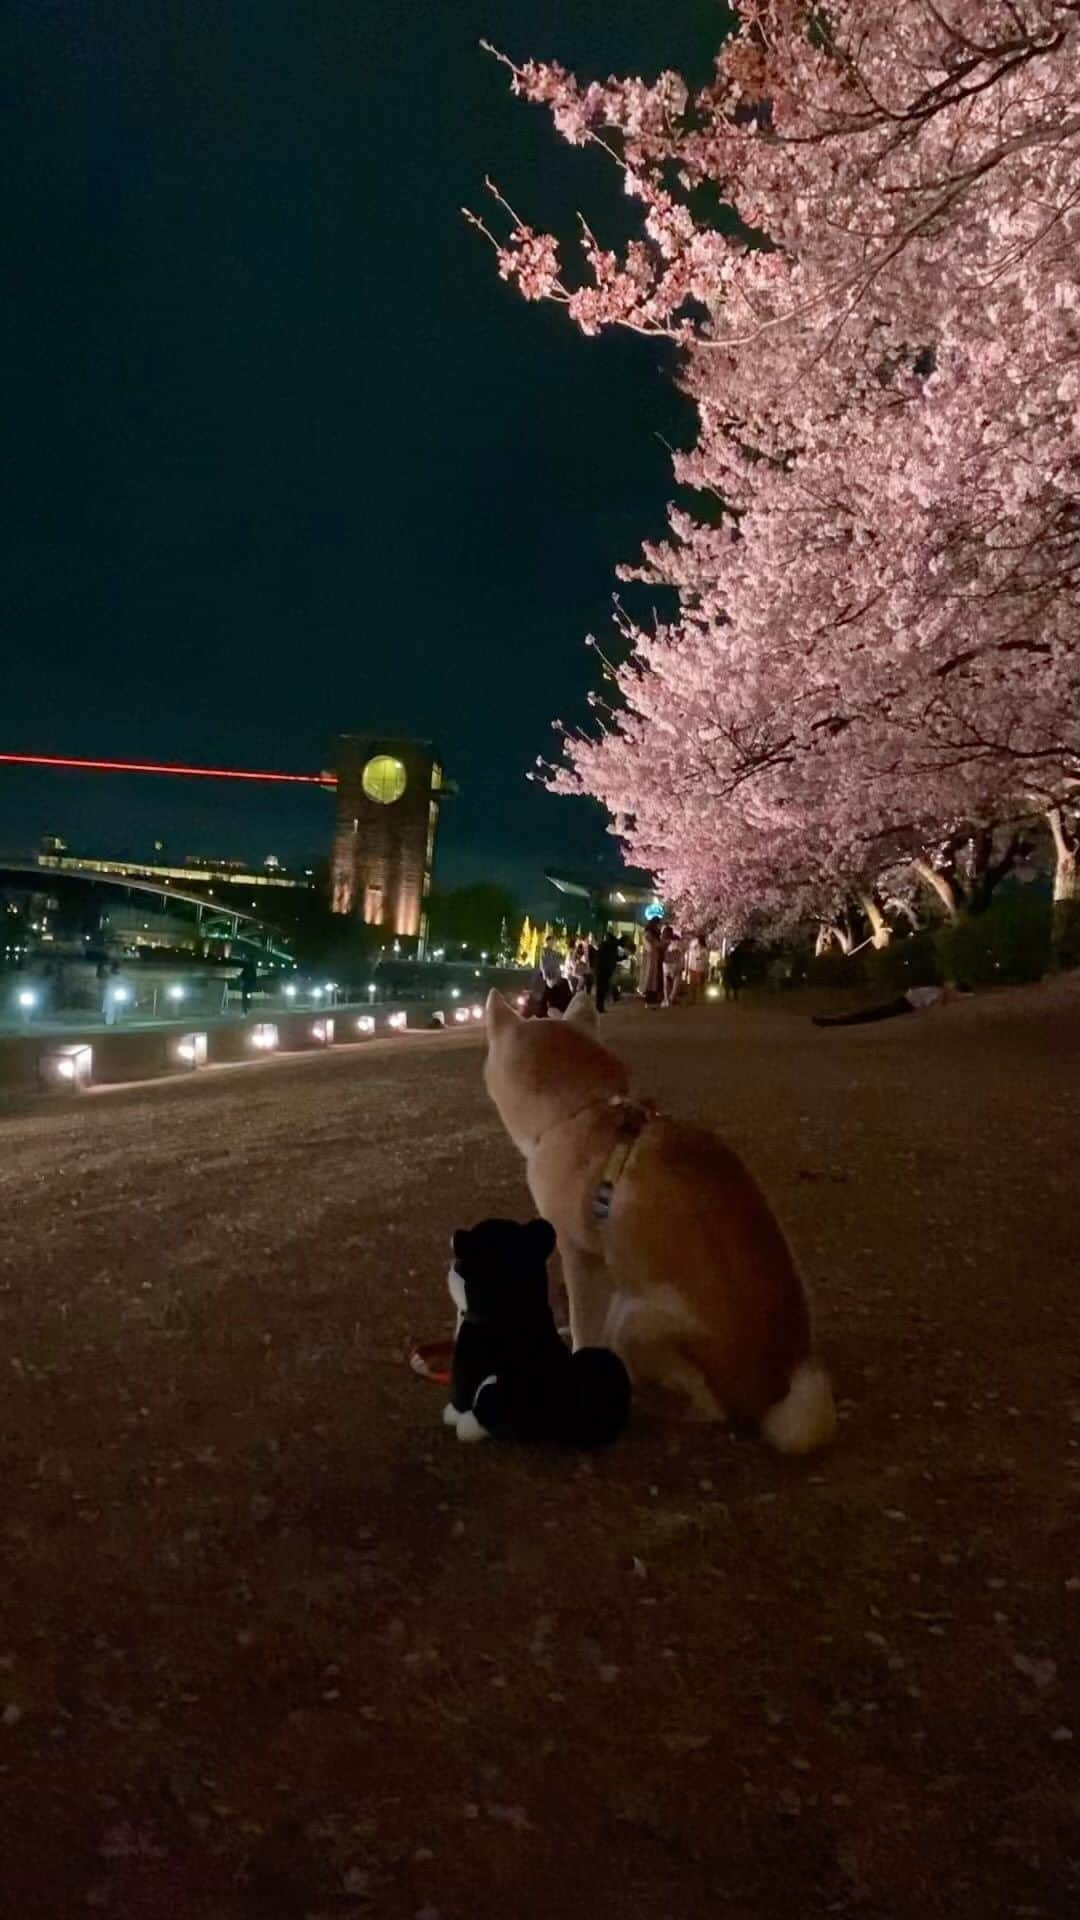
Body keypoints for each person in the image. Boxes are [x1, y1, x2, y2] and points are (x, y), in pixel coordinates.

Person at [812, 983, 950, 1027]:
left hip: (905, 1005)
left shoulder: (939, 993)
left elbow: (933, 1010)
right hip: (903, 1002)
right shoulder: (937, 990)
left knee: (869, 1014)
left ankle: (831, 1021)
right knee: (868, 1013)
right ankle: (831, 1021)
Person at [594, 930, 622, 1014]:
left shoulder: (604, 946)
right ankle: (600, 1006)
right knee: (603, 988)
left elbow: (599, 958)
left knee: (601, 989)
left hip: (601, 970)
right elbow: (616, 958)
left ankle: (600, 1006)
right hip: (606, 970)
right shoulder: (612, 946)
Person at [638, 922, 663, 1005]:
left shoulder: (653, 935)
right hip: (649, 959)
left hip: (653, 959)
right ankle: (649, 997)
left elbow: (656, 945)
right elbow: (650, 947)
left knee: (652, 978)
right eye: (657, 925)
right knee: (649, 977)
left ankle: (652, 997)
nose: (658, 927)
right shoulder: (648, 934)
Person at [661, 925, 685, 1007]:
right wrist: (682, 964)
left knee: (666, 982)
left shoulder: (663, 941)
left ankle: (666, 1000)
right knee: (676, 980)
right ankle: (671, 998)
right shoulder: (677, 941)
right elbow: (681, 953)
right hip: (676, 963)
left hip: (666, 964)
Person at [685, 932, 708, 1005]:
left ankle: (700, 999)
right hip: (693, 967)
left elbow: (706, 958)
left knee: (699, 984)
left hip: (700, 968)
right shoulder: (694, 945)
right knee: (693, 984)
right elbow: (691, 952)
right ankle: (693, 999)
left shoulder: (704, 949)